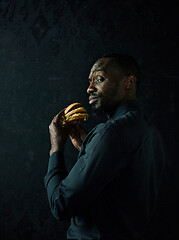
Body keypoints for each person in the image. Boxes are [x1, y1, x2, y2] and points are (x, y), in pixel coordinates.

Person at [44, 54, 165, 240]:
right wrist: (88, 146)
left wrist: (56, 146)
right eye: (90, 81)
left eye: (99, 79)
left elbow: (60, 205)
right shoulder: (151, 132)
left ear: (129, 82)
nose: (89, 88)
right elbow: (121, 185)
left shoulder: (110, 133)